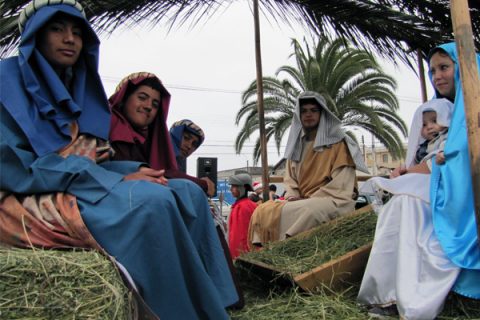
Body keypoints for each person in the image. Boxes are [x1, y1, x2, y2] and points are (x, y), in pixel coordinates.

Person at [0, 2, 238, 319]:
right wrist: (111, 177)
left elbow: (88, 162)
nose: (69, 38)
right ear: (35, 36)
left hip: (73, 182)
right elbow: (16, 169)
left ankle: (215, 305)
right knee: (152, 204)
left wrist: (133, 169)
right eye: (57, 29)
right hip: (23, 194)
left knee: (188, 193)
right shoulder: (5, 85)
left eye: (76, 32)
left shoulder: (74, 93)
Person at [357, 43, 480, 319]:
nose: (437, 76)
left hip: (466, 196)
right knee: (400, 206)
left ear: (463, 69)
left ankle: (413, 301)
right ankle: (388, 292)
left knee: (409, 205)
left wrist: (437, 170)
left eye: (444, 67)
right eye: (432, 70)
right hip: (442, 187)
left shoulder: (473, 112)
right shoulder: (438, 115)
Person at [248, 91, 368, 246]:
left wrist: (309, 199)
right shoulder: (296, 146)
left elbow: (341, 185)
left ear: (322, 114)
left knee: (310, 211)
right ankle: (267, 246)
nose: (308, 114)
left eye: (313, 110)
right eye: (304, 111)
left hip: (333, 200)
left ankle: (288, 244)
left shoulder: (339, 144)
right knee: (263, 209)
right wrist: (292, 196)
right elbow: (290, 180)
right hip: (301, 201)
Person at [109, 78, 216, 196]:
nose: (148, 106)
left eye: (155, 104)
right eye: (142, 97)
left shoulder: (145, 140)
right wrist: (201, 183)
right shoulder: (105, 124)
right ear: (123, 97)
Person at [227, 173, 257, 259]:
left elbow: (240, 236)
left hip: (242, 255)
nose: (231, 189)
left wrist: (238, 257)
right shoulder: (250, 204)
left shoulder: (242, 207)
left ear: (243, 188)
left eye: (234, 186)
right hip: (248, 253)